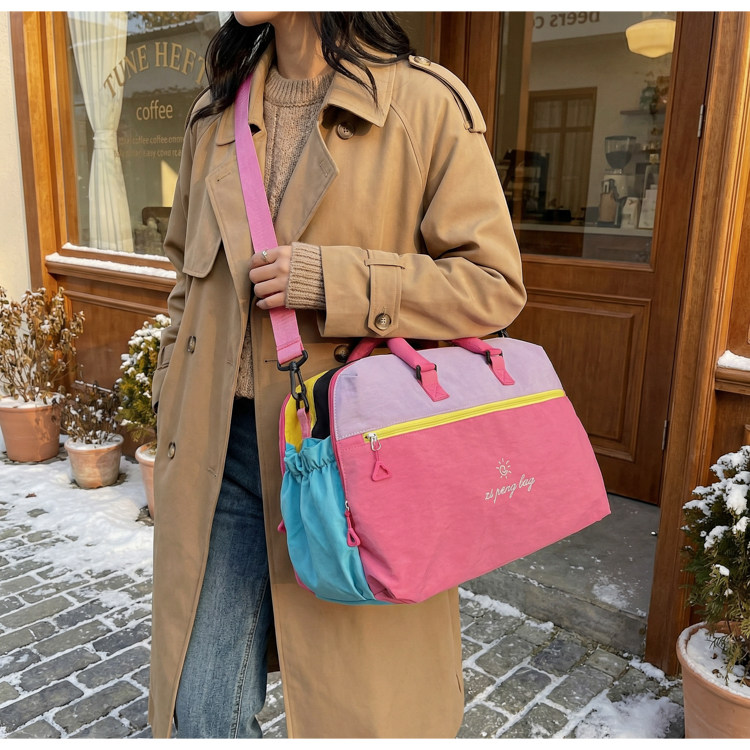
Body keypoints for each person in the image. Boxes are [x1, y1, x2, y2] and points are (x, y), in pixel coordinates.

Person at [147, 11, 526, 739]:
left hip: (355, 463)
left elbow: (492, 285)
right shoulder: (214, 115)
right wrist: (171, 409)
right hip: (221, 457)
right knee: (199, 712)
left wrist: (335, 280)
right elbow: (184, 285)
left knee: (357, 716)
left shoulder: (423, 106)